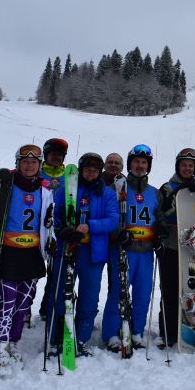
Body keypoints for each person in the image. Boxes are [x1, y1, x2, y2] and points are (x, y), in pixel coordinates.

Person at [0, 144, 53, 375]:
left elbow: (47, 222)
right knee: (7, 303)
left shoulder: (45, 191)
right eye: (25, 162)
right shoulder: (4, 186)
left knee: (23, 304)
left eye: (34, 162)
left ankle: (14, 341)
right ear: (18, 163)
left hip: (32, 255)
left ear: (39, 165)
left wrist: (52, 240)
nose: (29, 166)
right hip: (8, 253)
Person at [51, 152, 119, 356]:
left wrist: (89, 226)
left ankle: (80, 338)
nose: (91, 172)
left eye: (95, 169)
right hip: (67, 249)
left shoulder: (106, 193)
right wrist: (61, 229)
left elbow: (113, 219)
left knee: (89, 297)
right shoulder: (67, 189)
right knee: (61, 294)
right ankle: (56, 338)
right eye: (87, 169)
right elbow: (53, 215)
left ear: (100, 172)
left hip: (93, 253)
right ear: (80, 170)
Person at [101, 144, 162, 352]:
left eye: (144, 162)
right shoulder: (116, 188)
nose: (140, 165)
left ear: (148, 166)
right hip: (122, 249)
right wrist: (117, 232)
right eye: (136, 161)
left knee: (143, 293)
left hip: (145, 251)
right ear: (129, 164)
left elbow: (159, 219)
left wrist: (160, 235)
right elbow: (106, 215)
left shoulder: (154, 193)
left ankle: (136, 331)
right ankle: (111, 333)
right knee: (118, 291)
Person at [158, 148, 195, 347]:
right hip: (171, 246)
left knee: (191, 286)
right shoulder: (167, 187)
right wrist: (178, 193)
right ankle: (168, 331)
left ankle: (190, 327)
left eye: (191, 165)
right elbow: (165, 214)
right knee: (170, 289)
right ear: (178, 166)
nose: (187, 168)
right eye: (184, 165)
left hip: (191, 252)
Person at [38, 137, 69, 321]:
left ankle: (47, 307)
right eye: (53, 154)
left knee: (56, 272)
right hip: (37, 229)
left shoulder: (69, 176)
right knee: (32, 271)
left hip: (60, 230)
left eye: (60, 155)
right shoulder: (38, 173)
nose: (56, 157)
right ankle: (24, 309)